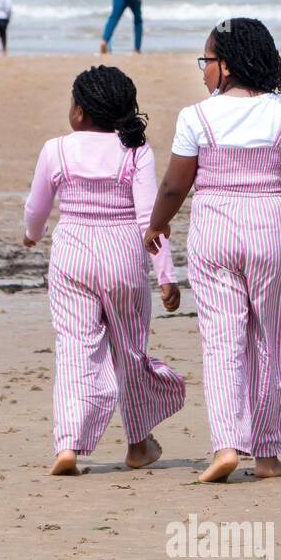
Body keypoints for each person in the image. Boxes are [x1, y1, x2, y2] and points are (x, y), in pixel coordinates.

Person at [145, 19, 281, 483]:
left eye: (206, 61)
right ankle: (268, 454)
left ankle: (225, 446)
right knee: (271, 339)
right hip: (268, 229)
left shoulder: (196, 117)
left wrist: (157, 224)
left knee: (221, 341)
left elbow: (174, 185)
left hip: (213, 230)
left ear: (228, 65)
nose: (202, 70)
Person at [24, 66, 185, 476]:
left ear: (78, 111)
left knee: (75, 348)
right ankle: (138, 444)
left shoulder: (56, 149)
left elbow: (37, 206)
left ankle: (68, 444)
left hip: (72, 253)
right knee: (129, 350)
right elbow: (150, 219)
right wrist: (166, 275)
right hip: (123, 253)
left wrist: (32, 234)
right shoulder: (136, 151)